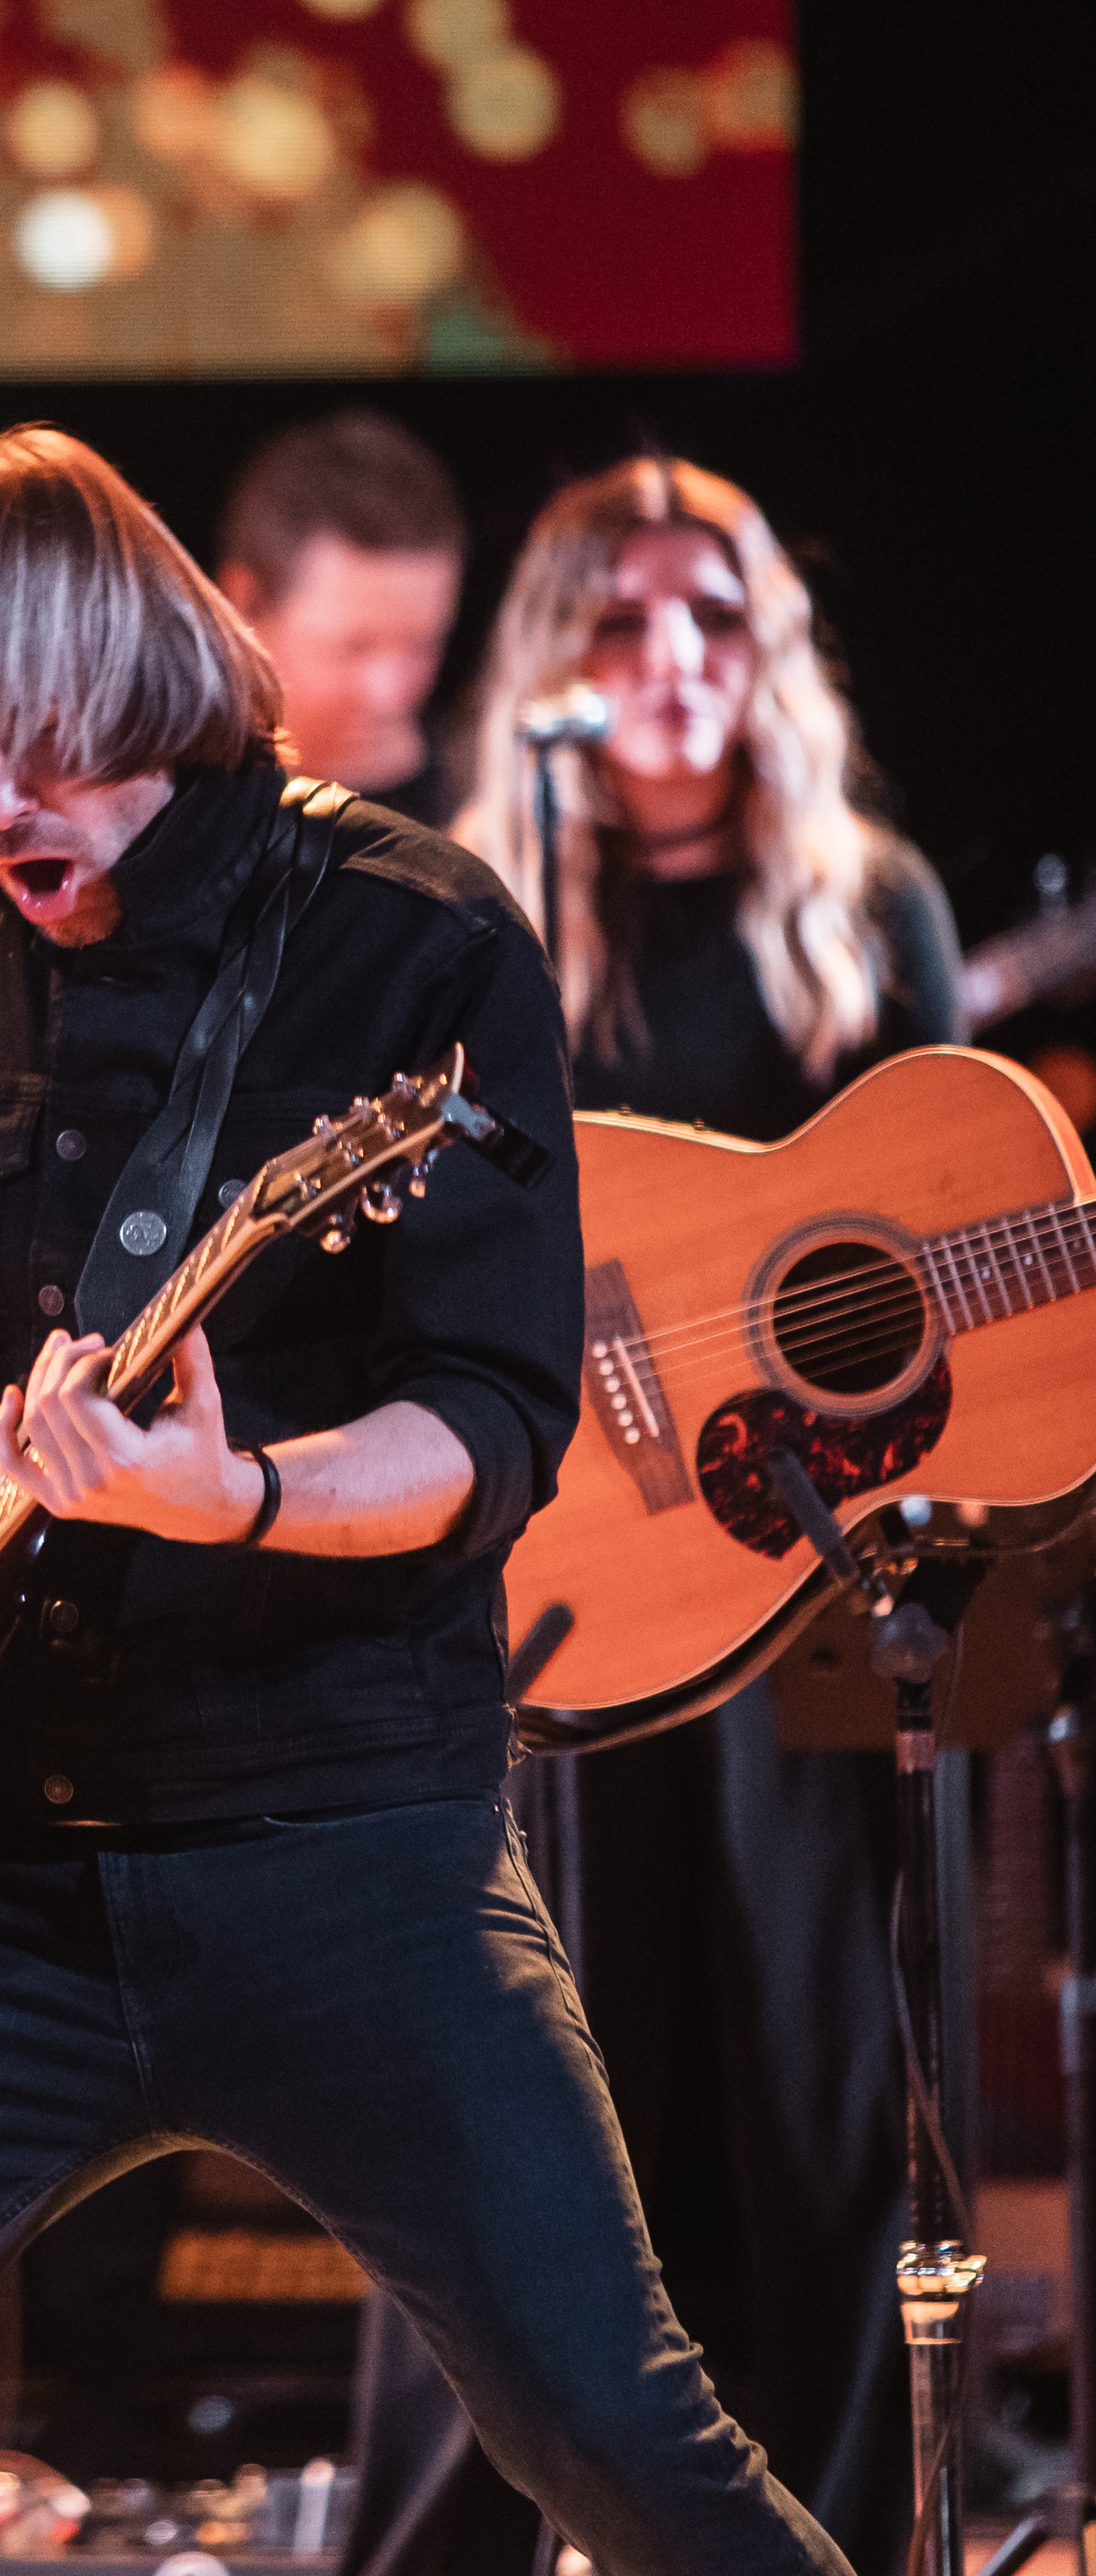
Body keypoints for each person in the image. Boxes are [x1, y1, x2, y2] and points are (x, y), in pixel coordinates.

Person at [0, 425, 857, 2576]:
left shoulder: (416, 941)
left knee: (635, 2460)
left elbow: (488, 1427)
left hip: (347, 1850)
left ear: (149, 689)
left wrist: (236, 1491)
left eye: (37, 753)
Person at [342, 453, 963, 2576]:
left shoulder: (868, 911)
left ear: (771, 652)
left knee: (825, 2110)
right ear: (554, 662)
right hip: (562, 1587)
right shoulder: (465, 917)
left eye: (714, 617)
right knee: (540, 2111)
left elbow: (946, 1230)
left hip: (801, 1598)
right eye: (619, 620)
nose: (670, 660)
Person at [219, 410, 467, 827]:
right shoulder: (154, 804)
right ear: (242, 604)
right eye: (353, 647)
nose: (388, 695)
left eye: (422, 645)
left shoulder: (488, 803)